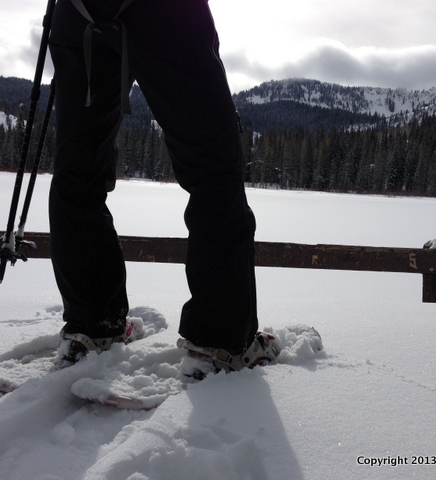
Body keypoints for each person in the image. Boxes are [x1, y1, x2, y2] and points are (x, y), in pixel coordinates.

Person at [48, 0, 279, 372]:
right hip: (167, 12)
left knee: (78, 172)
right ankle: (222, 340)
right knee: (214, 168)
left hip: (78, 11)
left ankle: (93, 325)